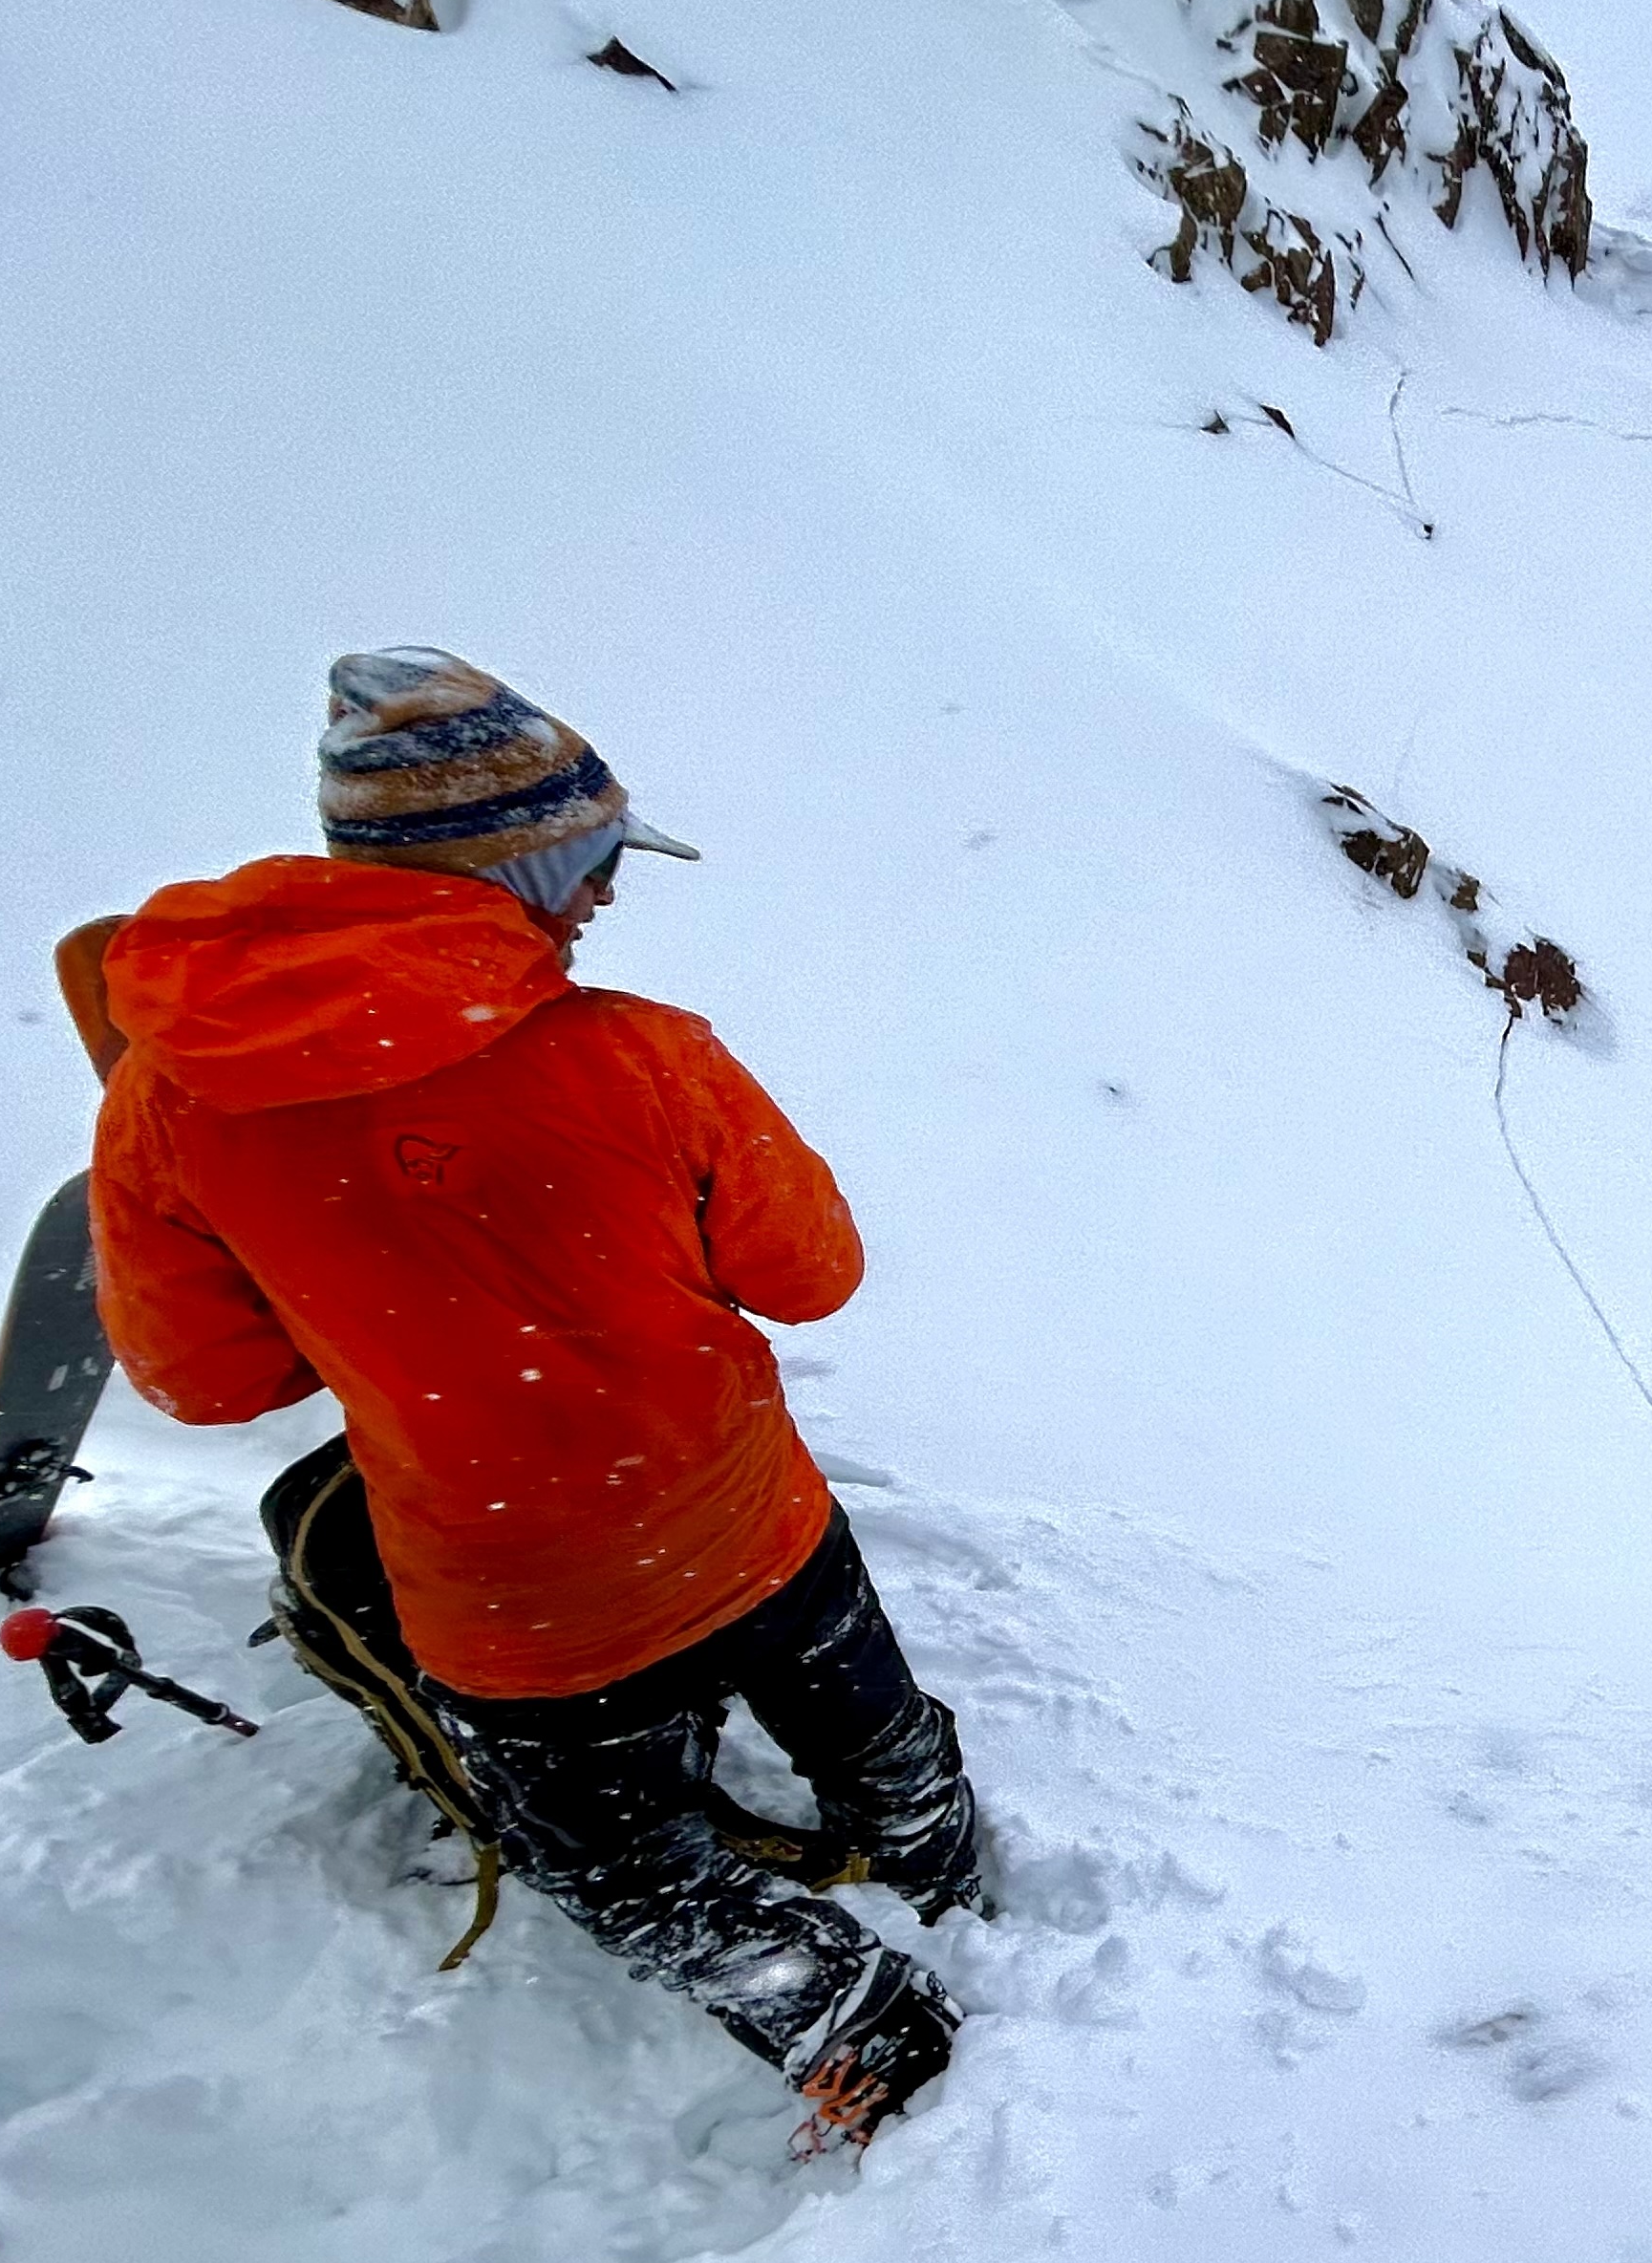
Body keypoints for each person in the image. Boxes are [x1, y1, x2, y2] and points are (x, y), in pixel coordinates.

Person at [82, 649, 980, 2148]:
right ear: (510, 867)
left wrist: (365, 1291)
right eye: (591, 863)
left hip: (518, 1609)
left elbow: (205, 1376)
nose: (607, 898)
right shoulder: (645, 1058)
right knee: (868, 1725)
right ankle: (932, 1852)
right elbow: (813, 1273)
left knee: (620, 1863)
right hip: (754, 1524)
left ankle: (847, 2019)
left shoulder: (168, 1104)